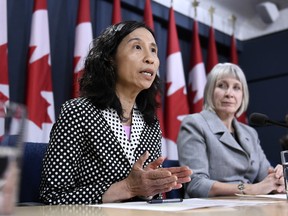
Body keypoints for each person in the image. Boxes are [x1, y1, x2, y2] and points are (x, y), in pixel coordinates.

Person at [39, 21, 192, 205]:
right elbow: (52, 197)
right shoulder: (78, 113)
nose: (150, 58)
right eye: (137, 47)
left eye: (153, 50)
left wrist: (151, 188)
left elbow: (149, 202)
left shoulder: (151, 123)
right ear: (110, 58)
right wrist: (128, 187)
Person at [177, 63, 284, 198]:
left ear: (243, 95)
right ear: (210, 90)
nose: (229, 94)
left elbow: (266, 176)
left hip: (249, 206)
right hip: (211, 208)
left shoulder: (250, 133)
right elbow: (196, 184)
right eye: (222, 86)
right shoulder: (194, 124)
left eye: (236, 88)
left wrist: (278, 178)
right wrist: (248, 189)